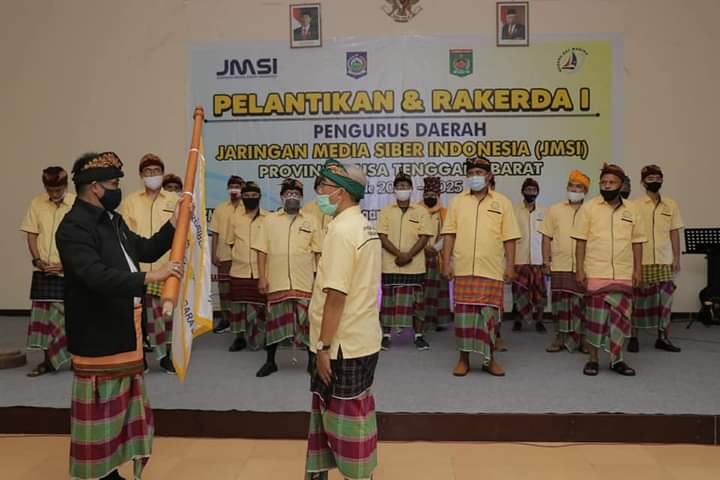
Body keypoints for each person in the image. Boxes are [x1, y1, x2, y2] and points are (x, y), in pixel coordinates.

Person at [56, 151, 183, 480]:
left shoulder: (113, 220)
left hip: (126, 329)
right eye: (113, 184)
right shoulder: (73, 228)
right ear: (95, 187)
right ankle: (97, 473)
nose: (117, 190)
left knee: (121, 409)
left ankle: (110, 470)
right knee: (101, 412)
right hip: (98, 334)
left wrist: (174, 224)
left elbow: (145, 249)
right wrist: (150, 277)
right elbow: (95, 276)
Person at [305, 159, 382, 480]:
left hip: (341, 346)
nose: (319, 193)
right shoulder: (364, 226)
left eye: (323, 186)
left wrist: (323, 347)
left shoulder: (341, 231)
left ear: (341, 192)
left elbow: (336, 295)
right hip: (362, 339)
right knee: (350, 415)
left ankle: (358, 475)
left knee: (344, 422)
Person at [441, 156, 520, 377]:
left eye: (479, 173)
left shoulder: (502, 202)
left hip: (491, 269)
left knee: (489, 319)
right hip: (463, 268)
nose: (475, 176)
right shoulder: (457, 201)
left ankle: (490, 360)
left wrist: (510, 266)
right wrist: (446, 262)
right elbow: (449, 234)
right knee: (463, 318)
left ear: (489, 176)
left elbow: (510, 237)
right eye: (471, 173)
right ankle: (463, 359)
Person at [573, 163, 646, 376]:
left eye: (612, 182)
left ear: (621, 185)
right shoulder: (589, 208)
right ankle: (593, 359)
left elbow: (637, 242)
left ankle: (617, 360)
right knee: (595, 320)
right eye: (604, 182)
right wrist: (580, 269)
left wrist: (638, 270)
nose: (607, 185)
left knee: (620, 321)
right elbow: (580, 242)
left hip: (623, 273)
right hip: (596, 271)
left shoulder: (633, 209)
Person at [253, 178, 322, 377]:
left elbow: (318, 253)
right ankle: (270, 362)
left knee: (308, 324)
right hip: (277, 281)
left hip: (304, 281)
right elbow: (261, 251)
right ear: (282, 197)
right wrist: (262, 277)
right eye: (288, 194)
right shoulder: (269, 220)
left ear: (302, 198)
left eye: (296, 194)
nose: (292, 197)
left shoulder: (312, 220)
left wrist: (319, 280)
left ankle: (312, 363)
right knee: (274, 322)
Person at [118, 153, 178, 374]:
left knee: (166, 316)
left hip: (166, 267)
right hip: (139, 270)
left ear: (162, 173)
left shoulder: (174, 200)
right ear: (141, 175)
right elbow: (125, 235)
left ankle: (166, 357)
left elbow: (183, 233)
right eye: (148, 171)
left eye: (156, 171)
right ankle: (140, 358)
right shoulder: (130, 201)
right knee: (139, 317)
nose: (152, 175)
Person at [20, 166, 76, 377]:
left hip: (69, 271)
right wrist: (37, 260)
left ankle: (75, 359)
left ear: (66, 185)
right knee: (44, 320)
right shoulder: (37, 203)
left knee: (71, 318)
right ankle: (48, 362)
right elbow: (32, 234)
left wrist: (66, 264)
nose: (54, 194)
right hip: (44, 270)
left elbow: (83, 240)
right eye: (50, 190)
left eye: (58, 189)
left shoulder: (77, 204)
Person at [628, 165, 684, 353]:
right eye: (650, 178)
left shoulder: (671, 204)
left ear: (662, 180)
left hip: (664, 260)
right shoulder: (635, 205)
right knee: (638, 301)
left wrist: (676, 258)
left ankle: (663, 337)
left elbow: (674, 232)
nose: (655, 181)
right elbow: (630, 234)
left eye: (658, 178)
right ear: (643, 182)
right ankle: (633, 337)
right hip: (641, 261)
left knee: (665, 302)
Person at [377, 172, 433, 350]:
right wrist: (398, 254)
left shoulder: (421, 211)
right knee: (388, 303)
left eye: (406, 186)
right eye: (399, 186)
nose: (403, 189)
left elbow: (424, 236)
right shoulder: (386, 211)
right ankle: (386, 336)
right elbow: (382, 236)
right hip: (390, 264)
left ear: (411, 189)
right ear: (394, 189)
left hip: (414, 266)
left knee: (417, 304)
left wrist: (408, 255)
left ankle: (419, 336)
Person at [539, 170, 590, 353]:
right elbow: (546, 237)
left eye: (579, 187)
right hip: (560, 264)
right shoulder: (555, 209)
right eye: (571, 186)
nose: (574, 189)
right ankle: (560, 337)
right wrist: (546, 262)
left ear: (585, 191)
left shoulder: (592, 210)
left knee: (583, 304)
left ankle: (583, 339)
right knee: (560, 304)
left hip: (585, 266)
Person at [226, 181, 268, 352]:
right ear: (242, 197)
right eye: (247, 196)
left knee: (260, 307)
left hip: (260, 271)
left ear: (260, 197)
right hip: (239, 270)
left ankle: (258, 337)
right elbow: (231, 242)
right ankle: (239, 338)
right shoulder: (235, 218)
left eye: (254, 195)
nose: (250, 198)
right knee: (238, 307)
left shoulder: (269, 218)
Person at [209, 175, 246, 334]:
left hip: (242, 257)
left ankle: (241, 322)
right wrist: (213, 253)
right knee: (224, 291)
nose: (234, 189)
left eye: (237, 186)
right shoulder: (220, 208)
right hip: (223, 255)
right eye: (231, 186)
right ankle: (225, 320)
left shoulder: (247, 208)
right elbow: (215, 233)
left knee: (239, 291)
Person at [512, 178, 548, 333]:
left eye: (534, 190)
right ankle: (517, 320)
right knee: (519, 292)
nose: (531, 193)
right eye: (528, 190)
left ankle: (539, 320)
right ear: (522, 191)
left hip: (538, 259)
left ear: (538, 192)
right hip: (519, 258)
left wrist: (547, 260)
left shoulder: (544, 211)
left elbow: (548, 236)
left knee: (540, 293)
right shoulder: (514, 211)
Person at [419, 176, 452, 331]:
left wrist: (436, 248)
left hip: (438, 256)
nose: (430, 197)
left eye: (433, 194)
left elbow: (449, 234)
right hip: (420, 255)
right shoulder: (417, 211)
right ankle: (422, 320)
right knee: (422, 290)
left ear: (438, 195)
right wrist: (423, 247)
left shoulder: (445, 213)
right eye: (427, 194)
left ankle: (440, 321)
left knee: (439, 288)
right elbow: (412, 232)